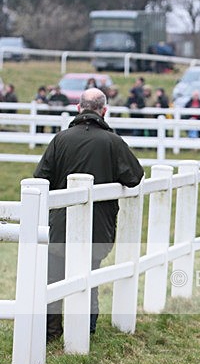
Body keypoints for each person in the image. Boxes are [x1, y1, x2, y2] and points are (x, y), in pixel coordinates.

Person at [34, 88, 144, 341]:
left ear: (78, 108)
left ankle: (51, 332)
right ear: (104, 110)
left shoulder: (60, 140)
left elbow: (41, 177)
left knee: (54, 277)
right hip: (98, 225)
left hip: (60, 223)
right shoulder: (113, 142)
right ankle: (85, 328)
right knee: (89, 275)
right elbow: (134, 177)